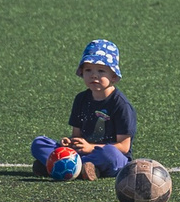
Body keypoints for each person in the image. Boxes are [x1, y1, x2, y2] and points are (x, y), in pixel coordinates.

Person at [32, 40, 135, 181]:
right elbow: (77, 135)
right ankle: (82, 168)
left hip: (108, 156)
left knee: (110, 154)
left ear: (114, 76)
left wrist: (91, 148)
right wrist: (69, 143)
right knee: (39, 143)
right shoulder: (81, 99)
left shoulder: (120, 104)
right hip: (82, 154)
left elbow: (123, 146)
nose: (93, 75)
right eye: (88, 70)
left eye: (101, 70)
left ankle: (57, 166)